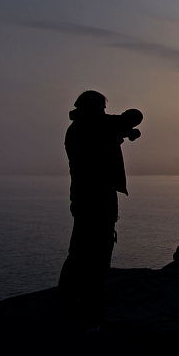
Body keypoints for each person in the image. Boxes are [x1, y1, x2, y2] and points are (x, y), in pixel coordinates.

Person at [55, 90, 142, 332]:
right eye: (101, 108)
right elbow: (133, 117)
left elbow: (121, 126)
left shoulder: (85, 128)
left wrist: (122, 133)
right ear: (92, 108)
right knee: (94, 258)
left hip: (88, 198)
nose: (104, 112)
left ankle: (69, 310)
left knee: (81, 254)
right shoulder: (90, 127)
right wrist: (125, 130)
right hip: (95, 198)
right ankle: (90, 317)